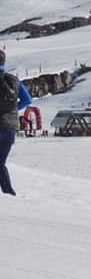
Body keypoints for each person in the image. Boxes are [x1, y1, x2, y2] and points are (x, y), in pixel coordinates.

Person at [1, 50, 33, 197]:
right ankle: (9, 193)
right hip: (10, 128)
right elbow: (27, 100)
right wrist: (14, 109)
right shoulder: (14, 80)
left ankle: (9, 193)